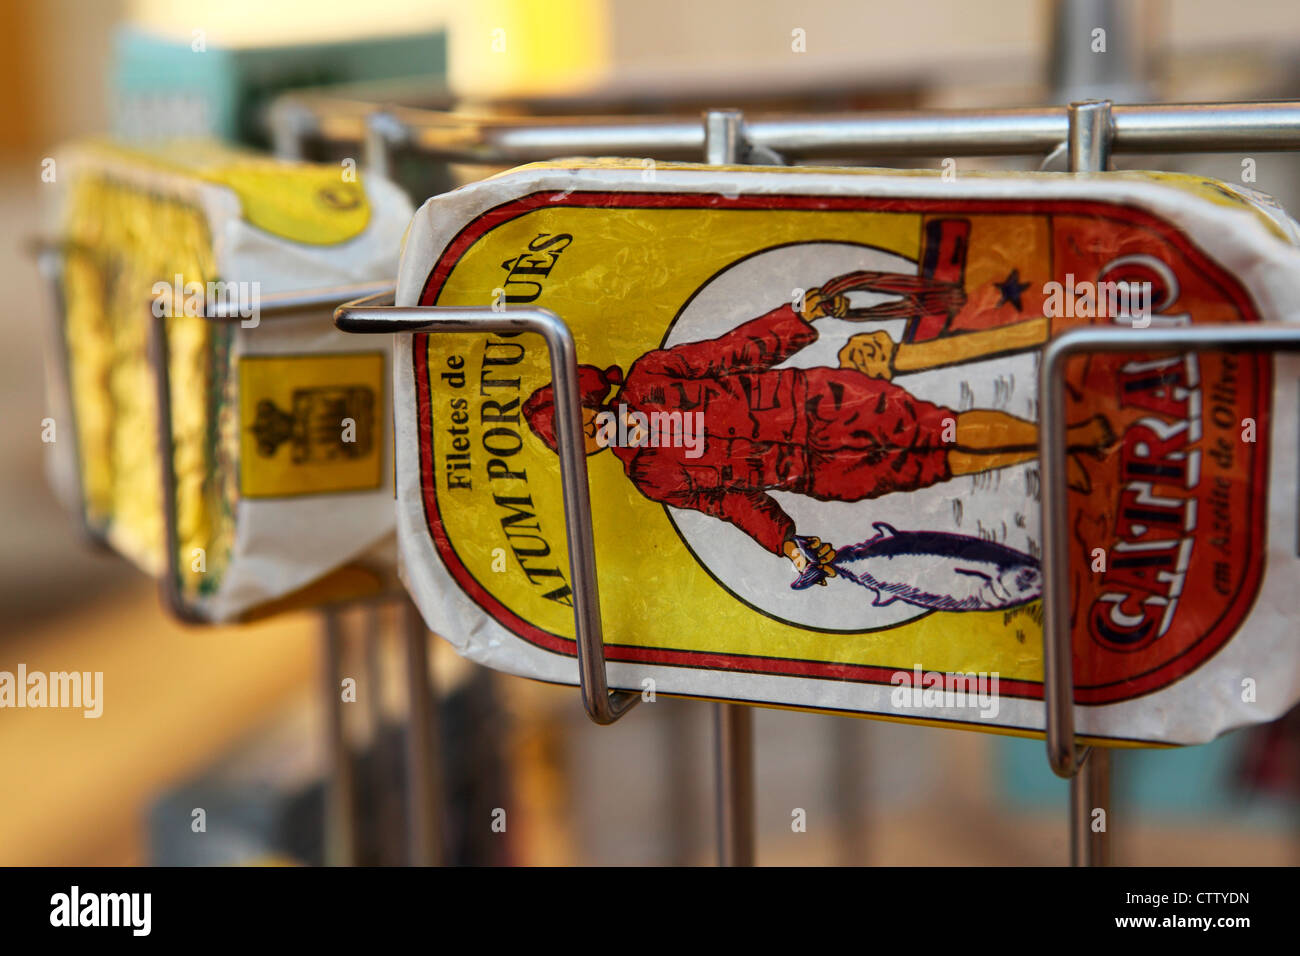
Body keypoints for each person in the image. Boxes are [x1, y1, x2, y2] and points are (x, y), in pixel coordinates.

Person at [522, 285, 1112, 579]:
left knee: (938, 429)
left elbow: (731, 352)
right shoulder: (651, 477)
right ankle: (1056, 448)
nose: (591, 432)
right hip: (818, 475)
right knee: (928, 464)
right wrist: (786, 544)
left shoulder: (653, 376)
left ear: (589, 397)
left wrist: (798, 316)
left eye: (582, 420)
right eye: (578, 443)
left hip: (821, 403)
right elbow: (734, 504)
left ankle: (1066, 436)